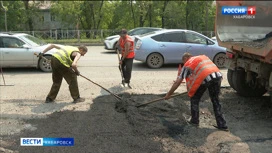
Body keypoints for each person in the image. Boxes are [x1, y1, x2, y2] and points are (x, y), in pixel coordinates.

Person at [164, 52, 228, 131]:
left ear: (185, 59)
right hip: (217, 76)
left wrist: (169, 94)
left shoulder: (188, 64)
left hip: (205, 78)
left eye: (183, 61)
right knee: (216, 100)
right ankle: (222, 125)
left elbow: (178, 82)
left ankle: (194, 121)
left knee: (194, 98)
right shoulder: (202, 58)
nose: (183, 63)